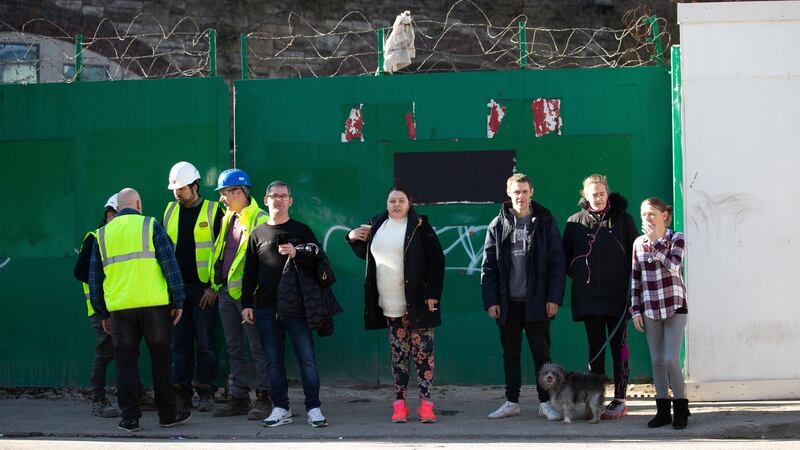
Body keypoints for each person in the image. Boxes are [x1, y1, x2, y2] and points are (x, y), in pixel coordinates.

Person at [88, 188, 191, 432]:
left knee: (125, 364)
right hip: (154, 305)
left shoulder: (101, 234)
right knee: (161, 361)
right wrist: (178, 301)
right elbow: (170, 264)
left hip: (121, 309)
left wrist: (102, 312)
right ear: (137, 203)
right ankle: (167, 414)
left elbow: (95, 278)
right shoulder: (150, 225)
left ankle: (130, 419)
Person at [345, 186, 445, 424]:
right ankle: (399, 405)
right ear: (387, 203)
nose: (396, 205)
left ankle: (426, 406)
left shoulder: (420, 225)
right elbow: (366, 253)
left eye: (401, 200)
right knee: (399, 356)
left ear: (410, 203)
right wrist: (350, 237)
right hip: (389, 303)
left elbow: (436, 259)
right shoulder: (377, 223)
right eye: (392, 201)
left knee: (423, 356)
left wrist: (432, 293)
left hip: (418, 303)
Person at [241, 181, 330, 428]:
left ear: (290, 200)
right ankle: (281, 407)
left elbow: (320, 262)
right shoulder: (257, 233)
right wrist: (246, 303)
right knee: (273, 359)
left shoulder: (302, 230)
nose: (278, 200)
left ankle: (314, 408)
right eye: (274, 196)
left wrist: (297, 252)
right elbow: (249, 272)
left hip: (298, 307)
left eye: (283, 196)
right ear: (266, 199)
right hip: (267, 308)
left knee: (307, 358)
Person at [481, 172, 566, 421]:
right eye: (516, 192)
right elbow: (488, 267)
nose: (521, 196)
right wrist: (492, 300)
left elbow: (557, 263)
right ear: (509, 193)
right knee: (511, 354)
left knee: (542, 355)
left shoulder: (545, 221)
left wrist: (554, 298)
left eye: (525, 191)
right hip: (509, 304)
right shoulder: (497, 225)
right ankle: (512, 401)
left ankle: (545, 403)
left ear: (532, 192)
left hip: (537, 302)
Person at [562, 174, 638, 420]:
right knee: (595, 348)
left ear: (608, 193)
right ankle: (596, 401)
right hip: (589, 298)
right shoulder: (574, 223)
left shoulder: (624, 220)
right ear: (585, 195)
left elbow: (635, 258)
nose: (598, 197)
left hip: (618, 298)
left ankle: (620, 400)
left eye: (602, 193)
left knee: (619, 347)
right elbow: (565, 261)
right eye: (593, 194)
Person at [73, 193, 156, 418]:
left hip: (119, 305)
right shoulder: (96, 238)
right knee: (106, 352)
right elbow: (80, 271)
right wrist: (104, 284)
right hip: (102, 309)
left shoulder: (116, 236)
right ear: (111, 214)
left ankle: (137, 394)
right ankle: (98, 399)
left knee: (129, 352)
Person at [208, 169, 272, 419]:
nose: (222, 198)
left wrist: (254, 296)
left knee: (258, 347)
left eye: (225, 193)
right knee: (234, 347)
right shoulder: (228, 217)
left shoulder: (259, 218)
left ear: (239, 192)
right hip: (226, 292)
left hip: (250, 297)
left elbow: (266, 262)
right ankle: (239, 397)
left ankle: (265, 397)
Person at [163, 162, 224, 412]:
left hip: (203, 291)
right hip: (177, 291)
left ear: (195, 187)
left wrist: (213, 287)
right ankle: (181, 393)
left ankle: (206, 391)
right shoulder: (169, 211)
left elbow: (222, 252)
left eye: (182, 189)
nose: (177, 194)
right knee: (179, 343)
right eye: (175, 190)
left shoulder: (213, 211)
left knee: (207, 342)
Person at [630, 197, 689, 430]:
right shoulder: (638, 243)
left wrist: (656, 242)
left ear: (664, 215)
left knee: (670, 359)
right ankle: (662, 410)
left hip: (675, 305)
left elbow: (674, 266)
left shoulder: (676, 238)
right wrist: (635, 310)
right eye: (644, 214)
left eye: (652, 214)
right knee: (656, 361)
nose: (647, 218)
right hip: (650, 306)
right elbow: (635, 278)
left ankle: (681, 409)